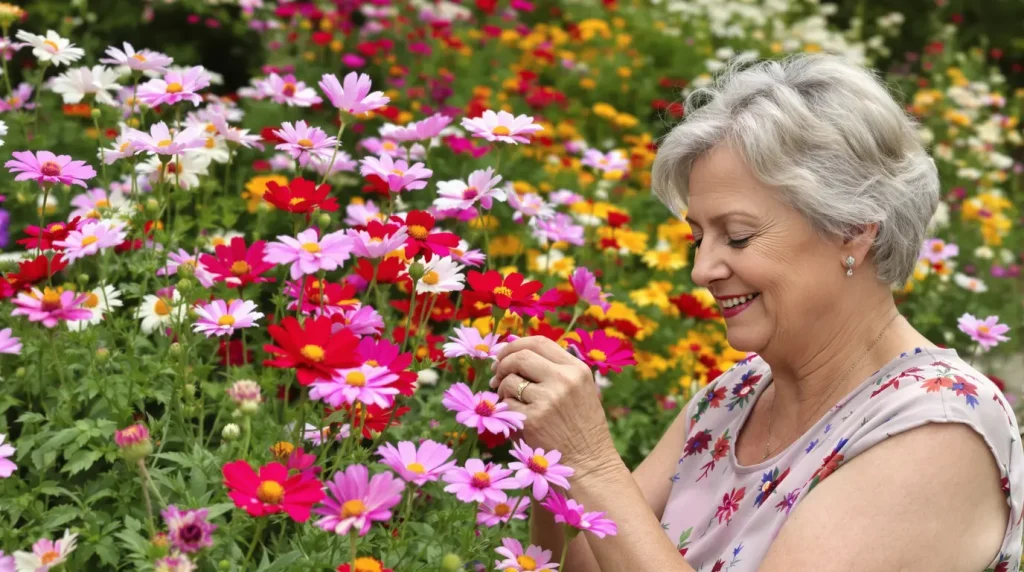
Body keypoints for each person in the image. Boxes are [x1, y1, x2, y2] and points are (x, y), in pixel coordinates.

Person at [490, 53, 1023, 571]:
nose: (702, 270)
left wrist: (592, 461)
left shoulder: (939, 430)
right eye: (698, 237)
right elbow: (585, 564)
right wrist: (554, 457)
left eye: (738, 236)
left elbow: (602, 485)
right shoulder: (735, 397)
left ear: (854, 229)